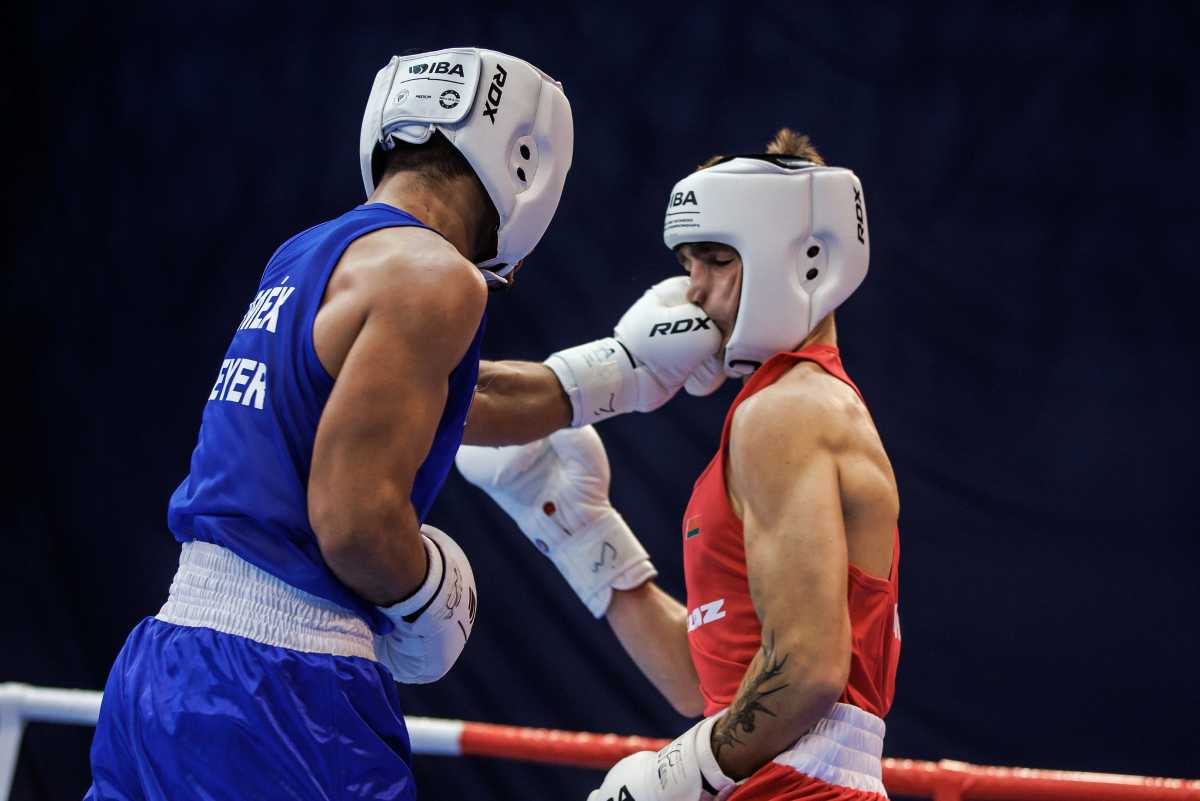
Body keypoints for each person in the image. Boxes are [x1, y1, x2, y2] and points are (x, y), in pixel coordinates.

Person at [84, 47, 580, 801]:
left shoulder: (309, 252)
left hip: (166, 664)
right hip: (283, 688)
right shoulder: (438, 276)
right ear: (524, 160)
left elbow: (433, 404)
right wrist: (426, 596)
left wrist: (617, 377)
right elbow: (353, 525)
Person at [457, 130, 901, 801]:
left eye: (717, 260)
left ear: (806, 260)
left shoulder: (790, 411)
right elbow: (701, 684)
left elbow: (807, 669)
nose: (692, 290)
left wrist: (676, 777)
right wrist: (581, 528)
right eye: (690, 262)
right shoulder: (778, 410)